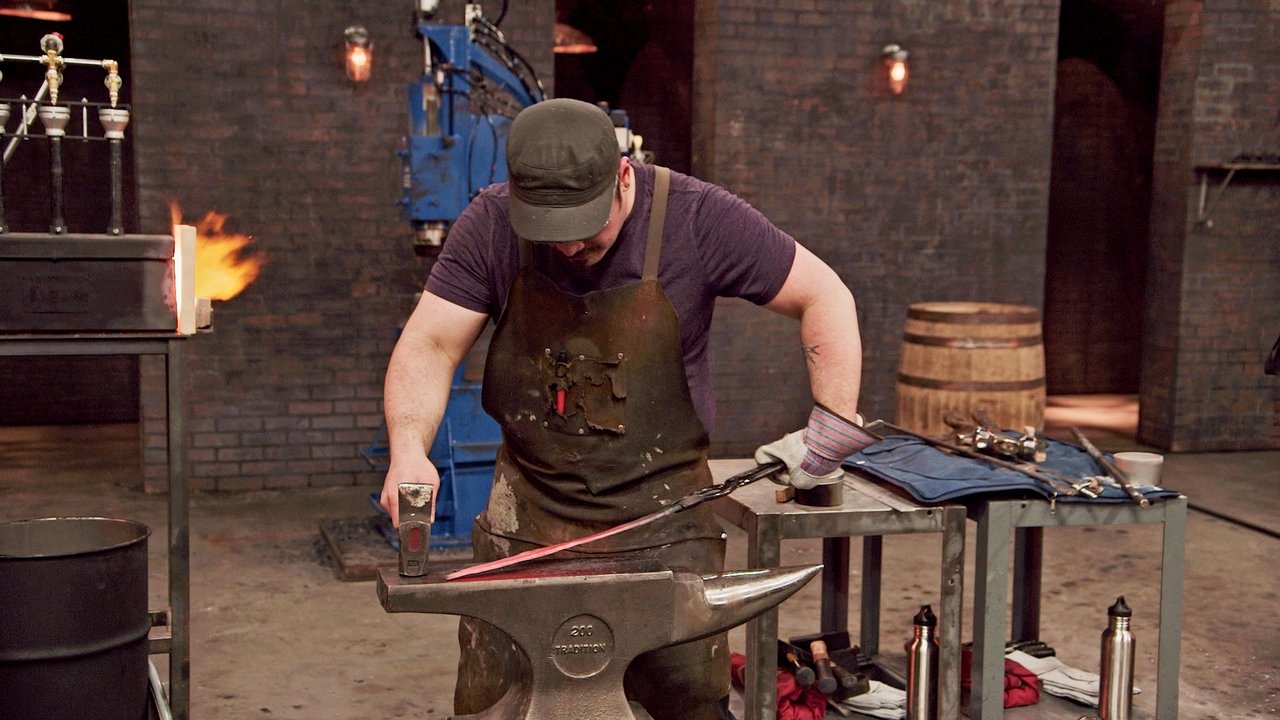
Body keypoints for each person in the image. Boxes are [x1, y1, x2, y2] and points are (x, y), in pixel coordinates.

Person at [380, 98, 875, 720]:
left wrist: (832, 421)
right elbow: (429, 344)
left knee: (687, 707)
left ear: (622, 175)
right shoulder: (490, 224)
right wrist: (408, 452)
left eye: (586, 224)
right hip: (527, 527)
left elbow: (824, 294)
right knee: (502, 708)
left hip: (667, 530)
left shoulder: (698, 217)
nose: (569, 245)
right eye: (549, 230)